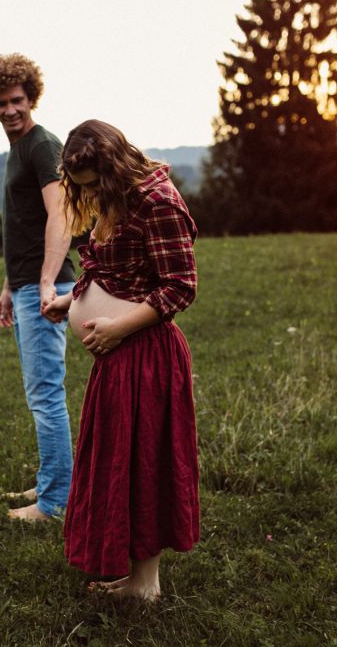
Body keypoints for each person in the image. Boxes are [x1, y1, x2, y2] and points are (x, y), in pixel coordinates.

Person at [43, 119, 200, 601]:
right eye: (82, 186)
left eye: (95, 184)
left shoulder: (159, 202)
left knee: (145, 465)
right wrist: (70, 303)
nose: (90, 193)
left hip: (145, 355)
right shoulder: (118, 198)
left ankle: (146, 583)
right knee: (120, 463)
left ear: (114, 166)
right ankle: (136, 576)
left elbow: (179, 287)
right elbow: (111, 271)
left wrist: (116, 327)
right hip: (116, 357)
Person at [0, 53, 76, 521]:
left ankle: (55, 501)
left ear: (31, 97)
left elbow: (60, 215)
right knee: (41, 393)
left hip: (46, 287)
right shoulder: (18, 149)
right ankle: (50, 484)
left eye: (17, 100)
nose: (10, 109)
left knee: (46, 394)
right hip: (28, 285)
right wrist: (9, 286)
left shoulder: (41, 146)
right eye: (0, 103)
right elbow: (25, 225)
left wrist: (46, 281)